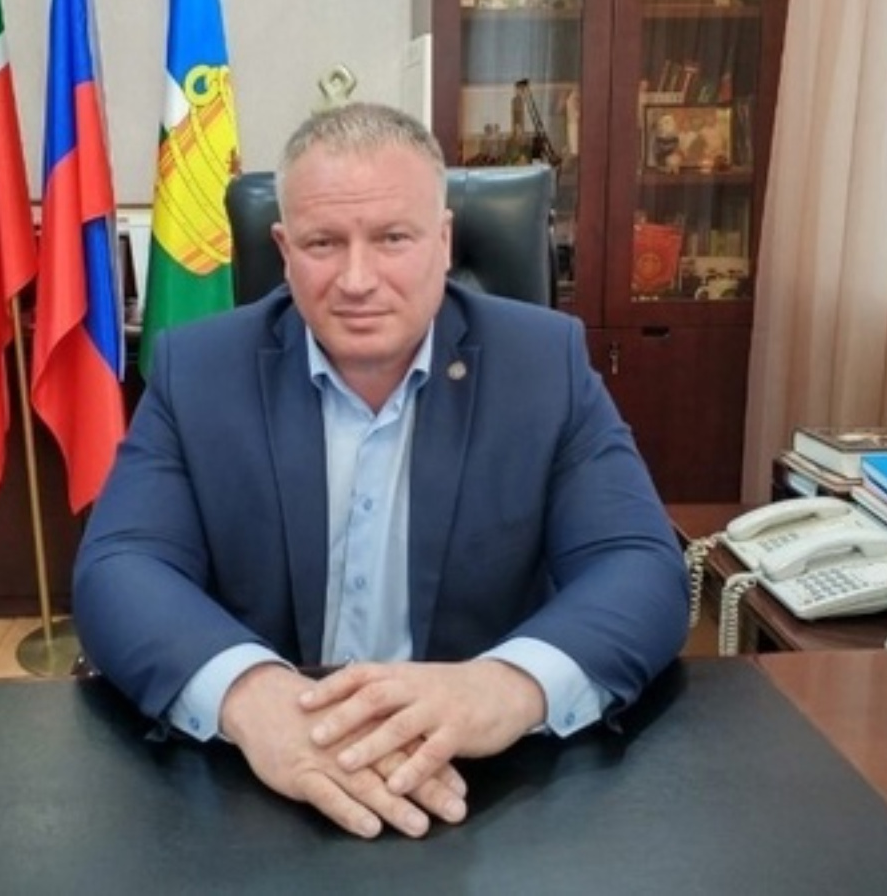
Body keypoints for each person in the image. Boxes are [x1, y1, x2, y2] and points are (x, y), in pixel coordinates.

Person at [73, 102, 688, 841]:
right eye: (323, 242)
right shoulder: (199, 370)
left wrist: (507, 685)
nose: (357, 279)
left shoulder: (543, 365)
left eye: (393, 238)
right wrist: (249, 695)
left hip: (490, 789)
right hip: (257, 786)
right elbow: (120, 565)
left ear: (443, 241)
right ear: (284, 249)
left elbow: (641, 566)